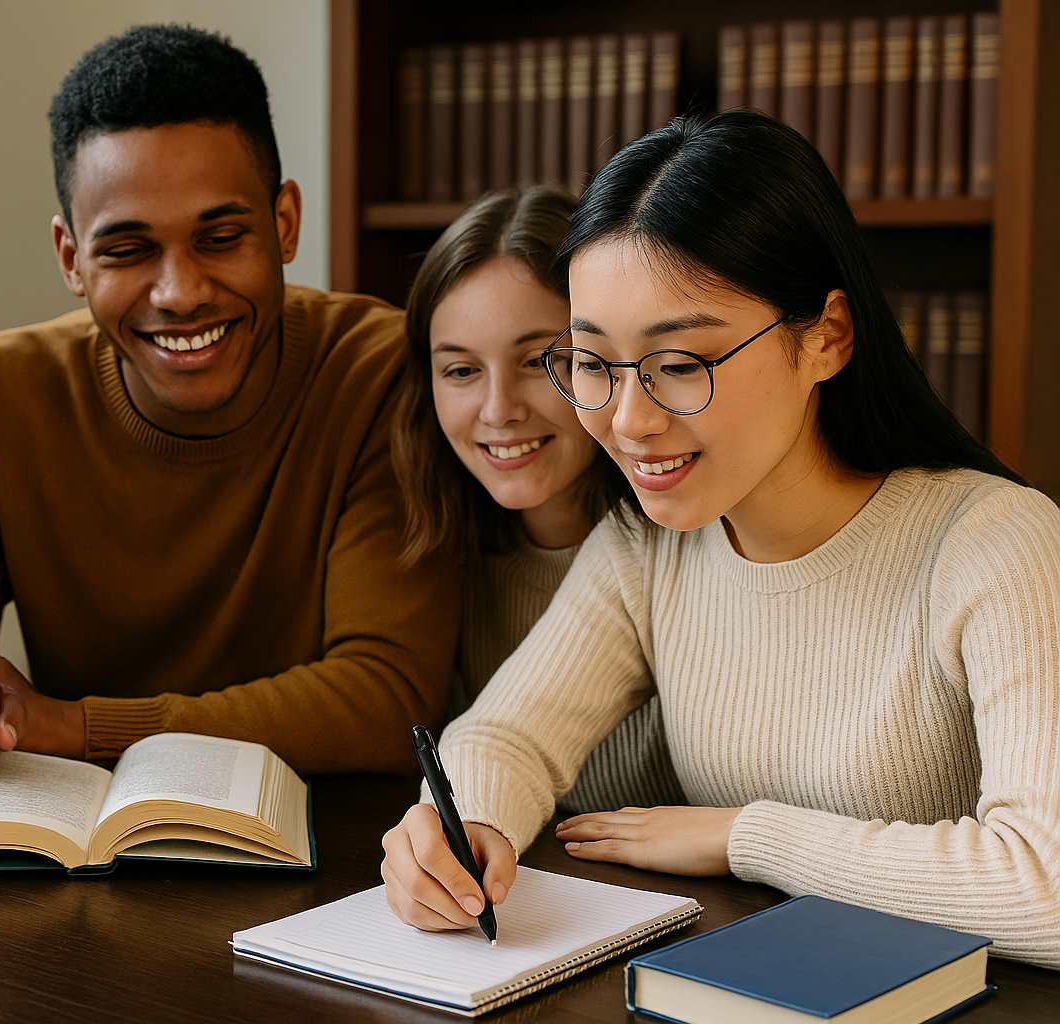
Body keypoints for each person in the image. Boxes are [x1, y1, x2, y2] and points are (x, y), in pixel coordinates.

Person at [381, 111, 1060, 968]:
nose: (628, 421)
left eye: (679, 364)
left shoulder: (996, 543)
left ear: (826, 337)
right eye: (593, 363)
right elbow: (509, 734)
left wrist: (744, 836)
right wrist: (463, 825)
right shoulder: (647, 548)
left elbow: (1046, 887)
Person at [0, 25, 460, 777]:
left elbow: (388, 700)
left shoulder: (378, 372)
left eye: (221, 237)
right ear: (71, 258)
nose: (180, 293)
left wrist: (80, 727)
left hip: (334, 828)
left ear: (284, 224)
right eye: (127, 250)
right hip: (87, 830)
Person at [391, 185, 682, 813]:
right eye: (461, 371)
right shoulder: (435, 561)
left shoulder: (680, 549)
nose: (499, 410)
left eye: (537, 362)